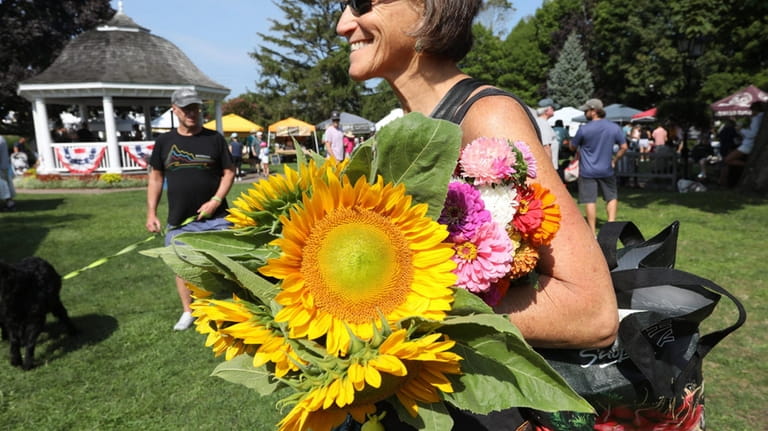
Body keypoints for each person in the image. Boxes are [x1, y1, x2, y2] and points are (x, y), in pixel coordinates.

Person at [337, 3, 618, 427]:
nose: (342, 24)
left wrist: (395, 307)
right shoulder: (405, 130)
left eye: (361, 1)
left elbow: (590, 310)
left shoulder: (485, 115)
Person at [145, 88, 235, 331]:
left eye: (195, 107)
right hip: (180, 220)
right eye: (186, 109)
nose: (192, 113)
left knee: (228, 266)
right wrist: (151, 213)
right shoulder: (164, 142)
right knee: (181, 268)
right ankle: (189, 311)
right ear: (174, 110)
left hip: (217, 218)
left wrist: (216, 200)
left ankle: (232, 308)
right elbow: (155, 178)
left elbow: (229, 172)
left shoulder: (214, 138)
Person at [569, 98, 628, 235]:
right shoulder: (614, 127)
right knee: (611, 197)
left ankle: (592, 232)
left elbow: (573, 146)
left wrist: (569, 144)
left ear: (594, 111)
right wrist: (615, 159)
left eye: (586, 110)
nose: (585, 113)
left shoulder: (584, 129)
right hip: (607, 169)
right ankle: (611, 227)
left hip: (587, 170)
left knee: (590, 200)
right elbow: (624, 147)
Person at [721, 101, 767, 187]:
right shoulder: (761, 118)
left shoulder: (756, 119)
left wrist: (741, 130)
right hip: (748, 144)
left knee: (727, 159)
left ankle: (748, 165)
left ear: (755, 109)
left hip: (748, 145)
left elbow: (752, 134)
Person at [535, 98, 560, 170]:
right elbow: (546, 147)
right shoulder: (542, 123)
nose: (554, 109)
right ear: (546, 110)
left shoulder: (542, 122)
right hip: (549, 167)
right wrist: (550, 168)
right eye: (552, 108)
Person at [0, 136, 16, 211]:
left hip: (2, 167)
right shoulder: (1, 139)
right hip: (4, 166)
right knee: (6, 185)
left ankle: (10, 204)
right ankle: (10, 203)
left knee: (4, 185)